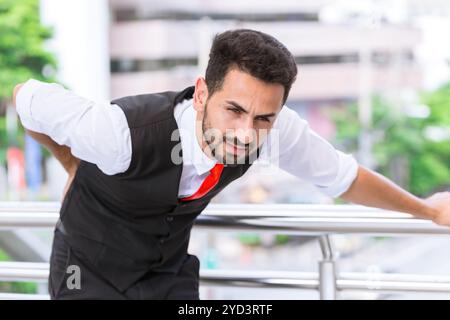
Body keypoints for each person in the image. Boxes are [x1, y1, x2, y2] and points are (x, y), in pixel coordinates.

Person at [12, 29, 450, 300]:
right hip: (86, 274)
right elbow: (25, 97)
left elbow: (344, 177)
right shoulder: (117, 134)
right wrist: (71, 163)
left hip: (166, 275)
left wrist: (428, 210)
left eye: (264, 117)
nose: (246, 133)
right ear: (202, 93)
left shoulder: (276, 130)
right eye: (234, 110)